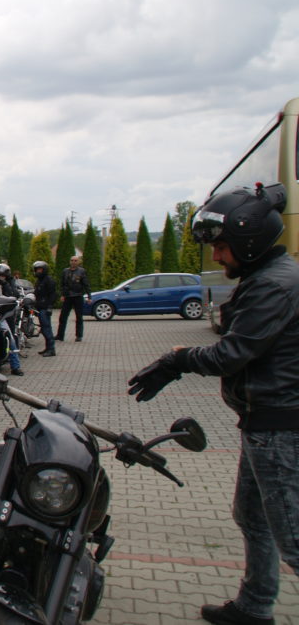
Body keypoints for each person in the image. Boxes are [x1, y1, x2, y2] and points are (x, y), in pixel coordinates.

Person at [128, 183, 298, 625]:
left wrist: (178, 359)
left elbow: (232, 353)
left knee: (293, 536)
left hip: (281, 427)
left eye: (222, 246)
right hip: (264, 422)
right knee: (252, 517)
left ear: (250, 241)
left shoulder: (273, 286)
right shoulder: (269, 278)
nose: (218, 256)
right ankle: (255, 607)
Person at [56, 255, 91, 342]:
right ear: (70, 261)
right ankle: (60, 335)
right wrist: (62, 295)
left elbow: (86, 284)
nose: (73, 262)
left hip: (78, 296)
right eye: (72, 260)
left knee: (79, 317)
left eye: (75, 260)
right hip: (68, 296)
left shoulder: (82, 271)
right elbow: (62, 284)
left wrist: (89, 296)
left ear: (78, 262)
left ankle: (79, 335)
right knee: (62, 317)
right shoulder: (65, 271)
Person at [33, 261, 57, 357]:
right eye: (37, 270)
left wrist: (50, 306)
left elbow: (53, 294)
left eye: (40, 269)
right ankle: (48, 347)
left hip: (45, 308)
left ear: (44, 270)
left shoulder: (49, 280)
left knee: (47, 329)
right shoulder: (39, 281)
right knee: (43, 329)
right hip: (40, 307)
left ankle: (51, 349)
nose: (38, 271)